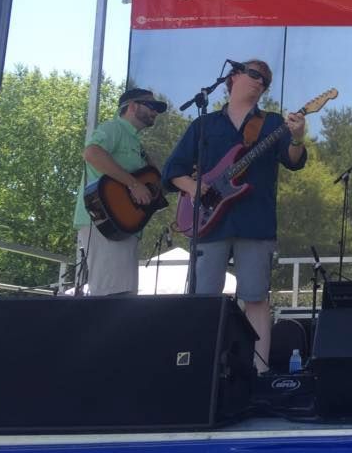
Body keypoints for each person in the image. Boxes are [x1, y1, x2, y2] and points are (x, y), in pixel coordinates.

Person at [163, 59, 307, 373]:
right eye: (255, 75)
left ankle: (260, 373)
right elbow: (172, 171)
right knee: (204, 299)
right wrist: (194, 187)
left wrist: (296, 137)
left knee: (255, 297)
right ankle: (200, 371)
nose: (261, 83)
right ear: (234, 77)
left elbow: (293, 161)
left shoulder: (271, 123)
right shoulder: (205, 124)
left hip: (254, 221)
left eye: (266, 81)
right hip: (208, 222)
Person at [72, 87, 168, 296]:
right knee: (110, 294)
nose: (155, 112)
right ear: (132, 106)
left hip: (124, 224)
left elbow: (155, 184)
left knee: (122, 294)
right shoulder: (114, 128)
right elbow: (92, 153)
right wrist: (134, 185)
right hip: (102, 219)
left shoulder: (137, 144)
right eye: (151, 106)